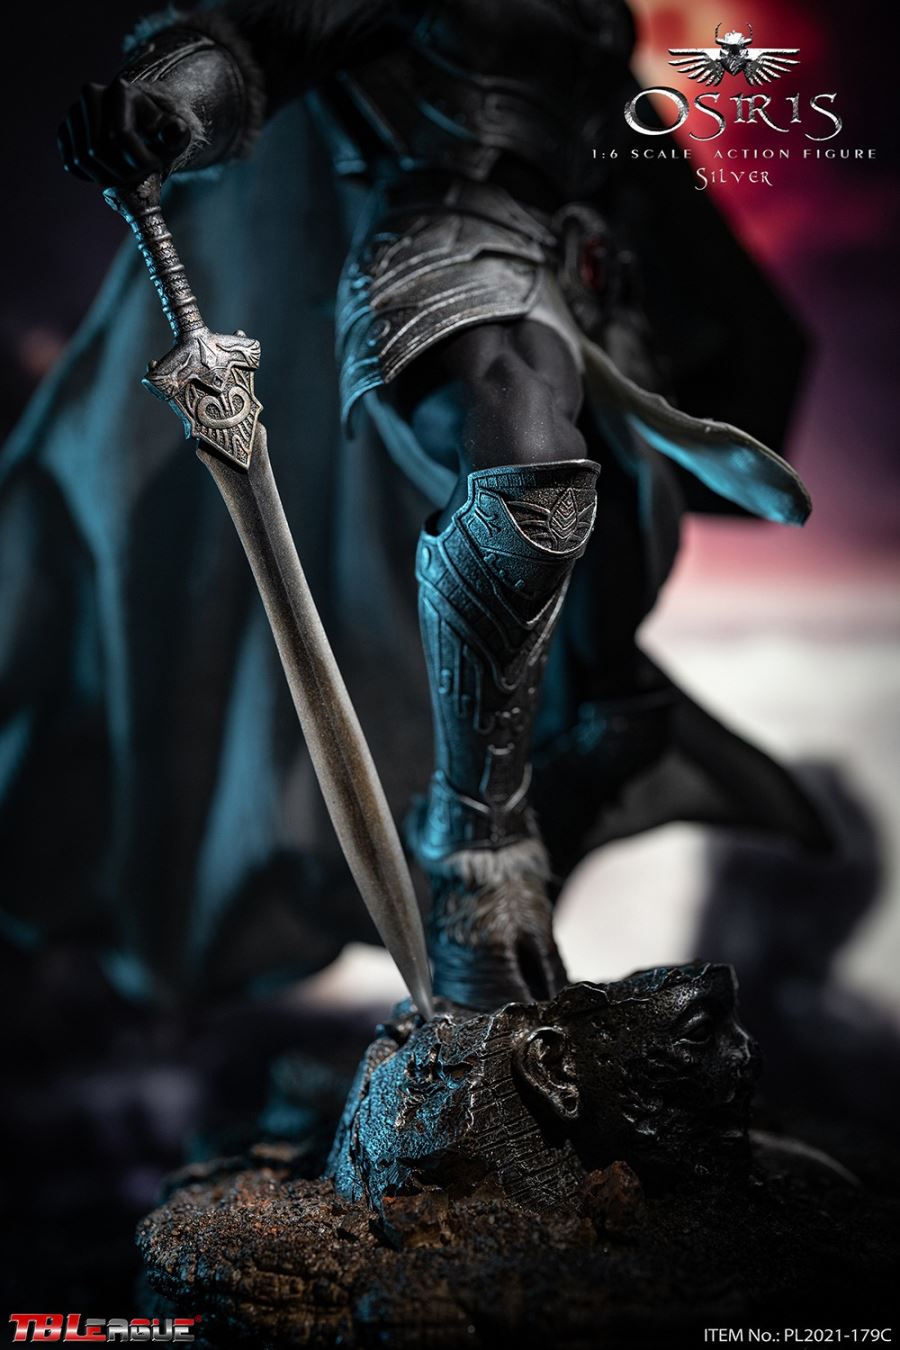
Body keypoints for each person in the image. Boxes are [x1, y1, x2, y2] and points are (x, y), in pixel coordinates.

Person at [43, 0, 826, 1008]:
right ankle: (472, 864)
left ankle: (513, 939)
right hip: (446, 251)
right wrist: (162, 108)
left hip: (587, 291)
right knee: (528, 476)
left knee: (615, 711)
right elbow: (263, 42)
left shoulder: (596, 20)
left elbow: (623, 156)